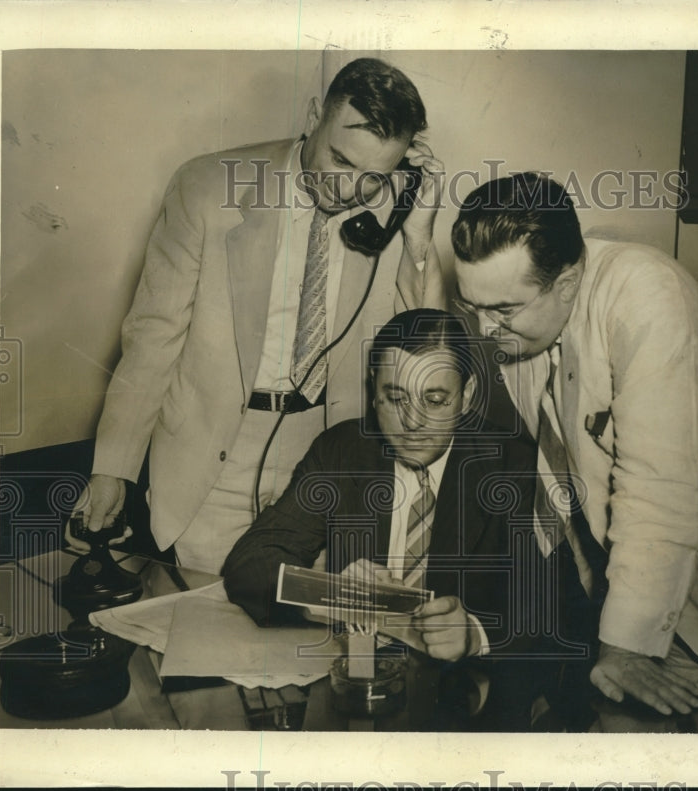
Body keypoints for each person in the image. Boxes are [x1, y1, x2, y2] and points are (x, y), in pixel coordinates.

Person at [450, 173, 698, 724]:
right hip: (645, 567)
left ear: (568, 280)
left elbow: (661, 485)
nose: (485, 329)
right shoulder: (521, 311)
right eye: (474, 306)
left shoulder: (647, 294)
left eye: (503, 311)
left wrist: (626, 645)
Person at [67, 58, 445, 573]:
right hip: (216, 454)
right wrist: (114, 467)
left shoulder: (395, 212)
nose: (350, 189)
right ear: (315, 114)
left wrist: (418, 234)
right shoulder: (208, 188)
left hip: (326, 460)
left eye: (373, 177)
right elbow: (154, 337)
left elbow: (428, 353)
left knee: (300, 637)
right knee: (201, 624)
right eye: (340, 160)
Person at [222, 309, 545, 729]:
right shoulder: (342, 450)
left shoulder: (514, 468)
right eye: (395, 398)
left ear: (467, 395)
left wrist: (476, 635)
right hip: (353, 696)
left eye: (434, 400)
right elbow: (249, 563)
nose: (412, 423)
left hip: (467, 708)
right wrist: (332, 593)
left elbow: (555, 604)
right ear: (373, 393)